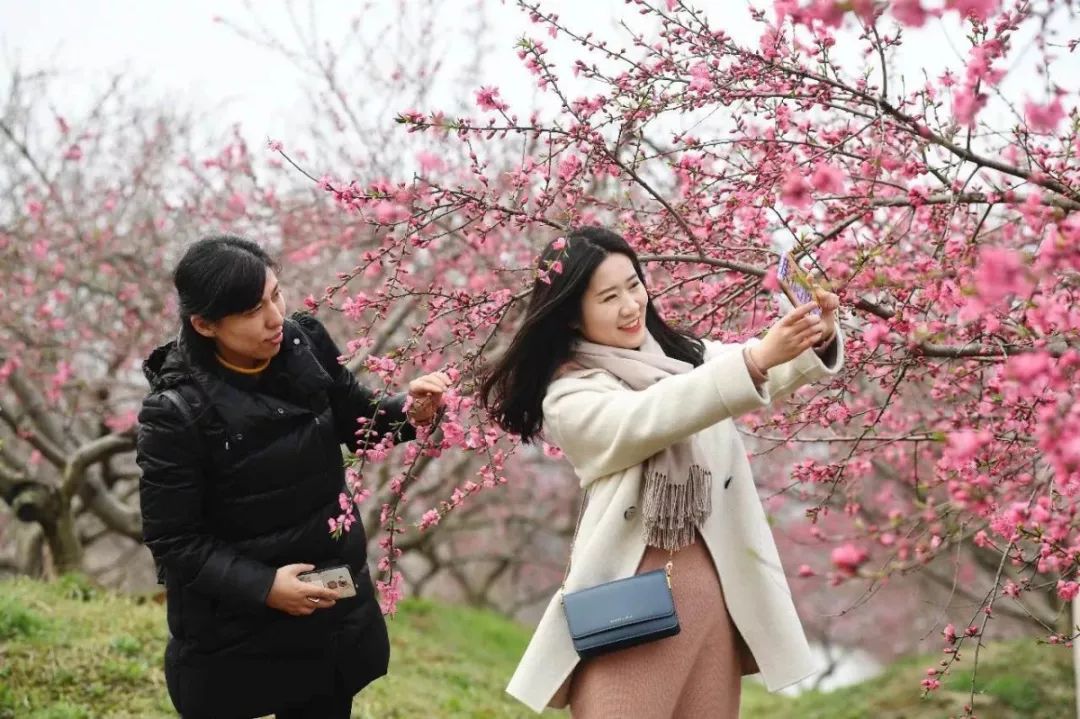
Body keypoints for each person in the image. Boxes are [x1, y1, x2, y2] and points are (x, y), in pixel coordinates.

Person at [480, 226, 844, 718]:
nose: (631, 306)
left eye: (633, 285)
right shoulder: (571, 395)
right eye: (609, 297)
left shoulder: (682, 359)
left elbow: (757, 370)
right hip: (627, 609)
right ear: (570, 316)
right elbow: (652, 415)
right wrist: (755, 359)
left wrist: (812, 338)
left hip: (712, 604)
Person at [136, 234, 451, 719]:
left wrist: (413, 412)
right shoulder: (175, 412)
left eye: (275, 295)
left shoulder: (304, 343)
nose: (275, 318)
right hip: (234, 631)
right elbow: (175, 542)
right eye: (250, 311)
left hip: (325, 606)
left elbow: (358, 421)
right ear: (204, 324)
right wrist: (264, 587)